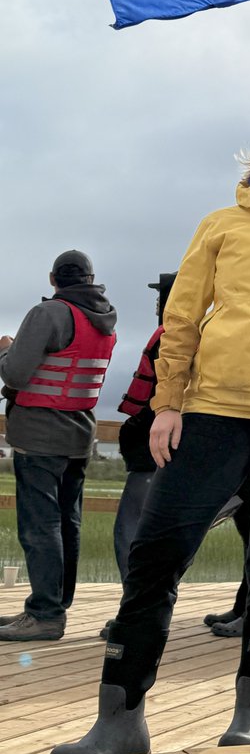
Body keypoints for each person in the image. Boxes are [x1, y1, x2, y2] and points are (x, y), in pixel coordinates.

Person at [48, 108, 250, 754]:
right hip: (214, 410)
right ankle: (120, 719)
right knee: (156, 553)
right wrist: (168, 403)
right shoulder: (220, 226)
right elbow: (184, 316)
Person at [0, 251, 117, 642]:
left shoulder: (48, 313)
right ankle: (52, 605)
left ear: (53, 279)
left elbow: (15, 373)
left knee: (40, 526)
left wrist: (5, 349)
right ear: (91, 279)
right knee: (68, 522)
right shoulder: (105, 319)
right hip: (79, 437)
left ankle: (45, 614)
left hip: (39, 436)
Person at [94, 273, 177, 641]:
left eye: (160, 296)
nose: (156, 303)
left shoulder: (171, 335)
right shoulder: (209, 332)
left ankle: (136, 617)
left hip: (155, 451)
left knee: (131, 535)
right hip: (179, 450)